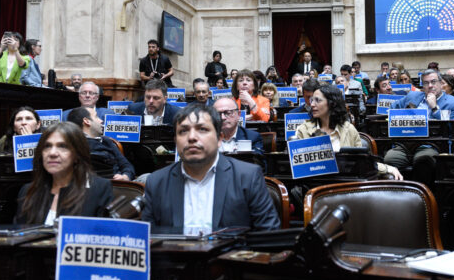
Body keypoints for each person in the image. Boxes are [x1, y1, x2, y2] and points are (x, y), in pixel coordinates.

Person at [142, 103, 279, 233]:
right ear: (175, 141)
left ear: (219, 138)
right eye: (183, 131)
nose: (192, 137)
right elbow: (148, 242)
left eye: (202, 129)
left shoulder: (248, 177)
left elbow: (267, 238)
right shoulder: (156, 182)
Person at [295, 84, 402, 180]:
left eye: (317, 100)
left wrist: (387, 168)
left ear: (332, 103)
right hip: (314, 186)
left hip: (345, 186)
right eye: (312, 100)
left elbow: (362, 162)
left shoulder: (349, 129)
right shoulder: (303, 130)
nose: (312, 104)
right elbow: (296, 167)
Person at [15, 122, 113, 224]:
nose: (52, 153)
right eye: (47, 146)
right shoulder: (28, 191)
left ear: (77, 155)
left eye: (62, 146)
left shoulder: (100, 189)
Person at [67, 107, 135, 181]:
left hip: (122, 184)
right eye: (96, 116)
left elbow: (126, 165)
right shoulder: (75, 144)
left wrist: (125, 176)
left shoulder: (107, 141)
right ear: (87, 121)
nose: (101, 121)